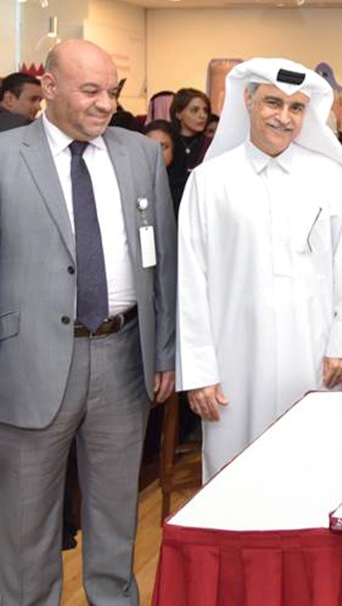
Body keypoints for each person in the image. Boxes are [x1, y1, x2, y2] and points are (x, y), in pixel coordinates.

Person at [0, 39, 176, 606]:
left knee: (115, 513)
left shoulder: (139, 156)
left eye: (113, 91)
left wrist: (164, 354)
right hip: (29, 363)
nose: (106, 104)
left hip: (123, 357)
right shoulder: (6, 157)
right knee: (26, 525)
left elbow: (161, 265)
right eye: (91, 90)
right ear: (48, 87)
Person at [177, 59, 342, 481]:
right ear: (247, 101)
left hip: (311, 356)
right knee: (234, 477)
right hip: (233, 362)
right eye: (273, 103)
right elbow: (191, 280)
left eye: (296, 108)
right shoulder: (209, 181)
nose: (284, 117)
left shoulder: (328, 177)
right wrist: (199, 372)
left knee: (310, 471)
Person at [166, 88, 211, 210]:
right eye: (194, 110)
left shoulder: (209, 145)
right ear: (178, 113)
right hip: (170, 207)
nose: (202, 116)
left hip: (200, 207)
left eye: (205, 111)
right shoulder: (168, 142)